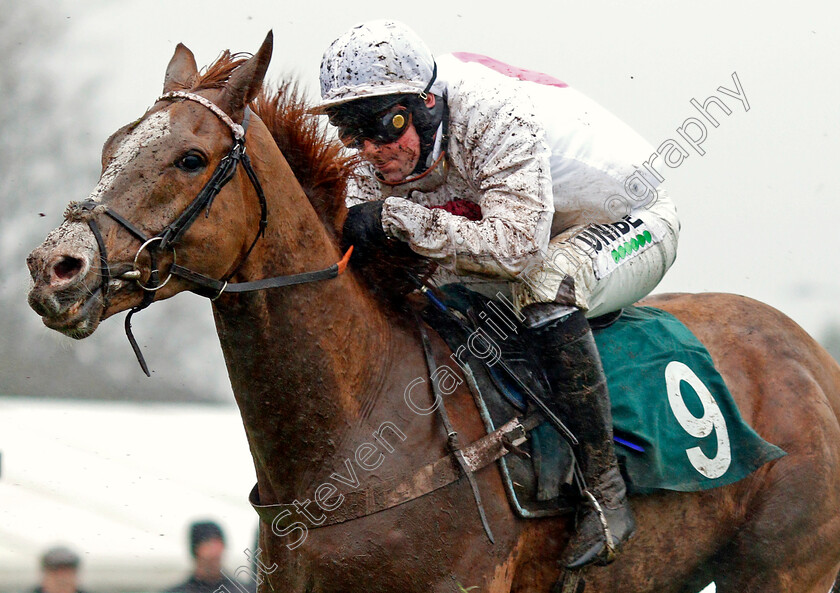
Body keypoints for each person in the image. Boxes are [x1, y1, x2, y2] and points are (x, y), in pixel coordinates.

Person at [314, 20, 680, 569]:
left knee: (544, 282)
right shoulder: (378, 151)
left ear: (428, 103)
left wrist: (397, 217)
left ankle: (605, 489)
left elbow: (517, 251)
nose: (371, 150)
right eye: (351, 131)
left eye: (384, 127)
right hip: (530, 218)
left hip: (631, 216)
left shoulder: (493, 114)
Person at [165, 520, 245, 593]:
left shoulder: (243, 590)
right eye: (208, 545)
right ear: (196, 550)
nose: (214, 552)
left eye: (217, 544)